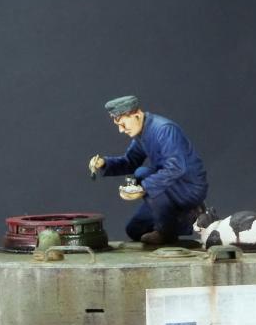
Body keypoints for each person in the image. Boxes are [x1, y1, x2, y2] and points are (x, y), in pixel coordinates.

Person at [88, 96, 209, 245]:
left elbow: (176, 167)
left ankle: (167, 231)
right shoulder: (142, 133)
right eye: (118, 125)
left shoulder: (164, 129)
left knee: (141, 174)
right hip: (165, 186)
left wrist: (144, 187)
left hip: (188, 187)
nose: (121, 130)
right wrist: (104, 163)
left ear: (137, 115)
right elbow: (130, 161)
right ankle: (180, 217)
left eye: (123, 124)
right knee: (134, 230)